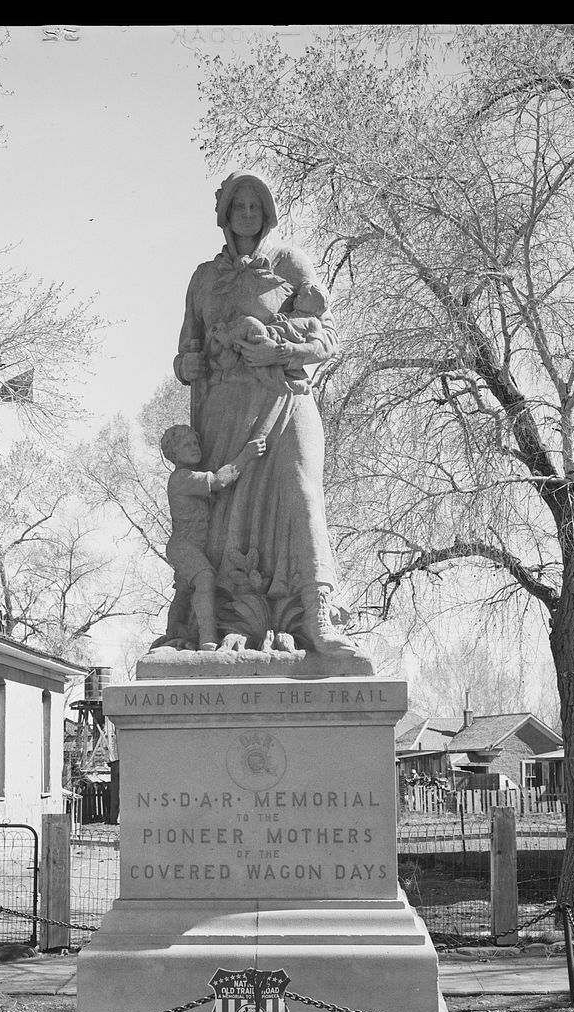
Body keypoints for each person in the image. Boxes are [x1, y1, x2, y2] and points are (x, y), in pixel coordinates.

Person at [168, 170, 364, 657]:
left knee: (302, 491)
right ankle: (223, 622)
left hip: (285, 398)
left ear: (268, 213)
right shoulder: (204, 278)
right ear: (225, 215)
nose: (248, 215)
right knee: (228, 517)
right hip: (223, 411)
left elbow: (327, 338)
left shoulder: (290, 264)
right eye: (240, 207)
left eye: (256, 207)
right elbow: (185, 351)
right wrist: (186, 362)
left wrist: (275, 350)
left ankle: (317, 610)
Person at [160, 423, 266, 651]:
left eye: (196, 442)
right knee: (205, 578)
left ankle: (174, 632)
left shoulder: (191, 478)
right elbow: (219, 481)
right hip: (183, 545)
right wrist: (246, 456)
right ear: (174, 453)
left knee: (184, 591)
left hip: (195, 546)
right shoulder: (181, 478)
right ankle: (207, 637)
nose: (194, 447)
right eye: (186, 445)